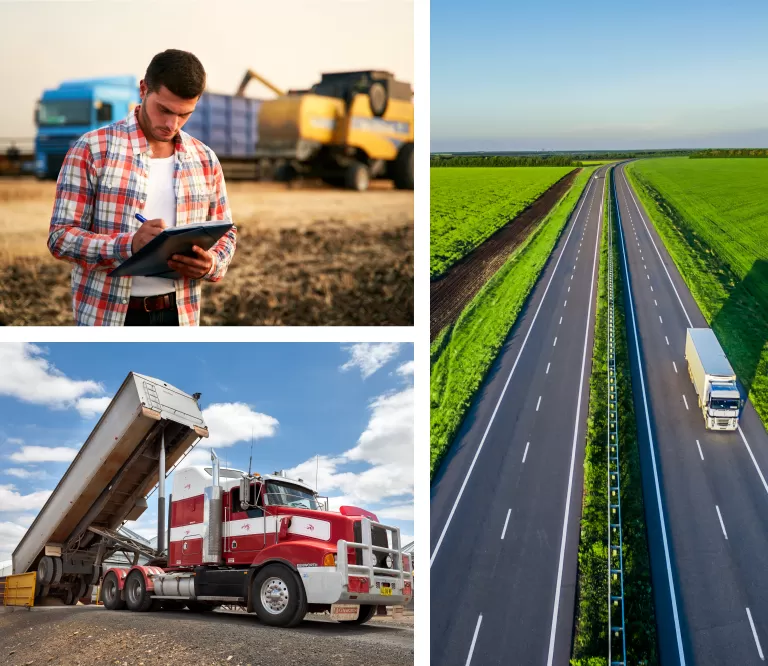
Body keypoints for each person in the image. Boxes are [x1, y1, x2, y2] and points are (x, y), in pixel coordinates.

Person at [47, 49, 237, 325]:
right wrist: (128, 245)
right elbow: (60, 238)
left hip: (180, 316)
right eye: (164, 110)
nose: (172, 124)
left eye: (184, 115)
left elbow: (227, 233)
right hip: (106, 316)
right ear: (143, 89)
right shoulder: (91, 149)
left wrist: (210, 264)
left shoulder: (205, 158)